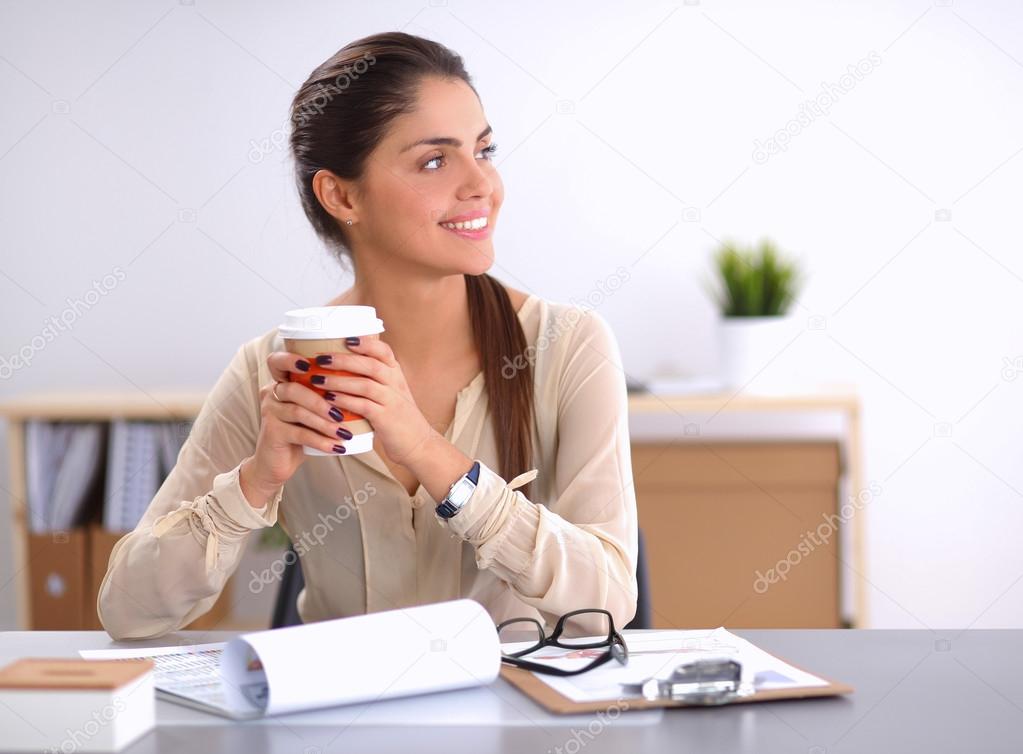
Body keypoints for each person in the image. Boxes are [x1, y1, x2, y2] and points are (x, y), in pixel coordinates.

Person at [98, 31, 638, 640]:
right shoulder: (271, 371)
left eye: (483, 150)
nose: (481, 183)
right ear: (341, 194)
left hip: (513, 721)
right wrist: (256, 480)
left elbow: (610, 596)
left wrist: (430, 455)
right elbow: (127, 611)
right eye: (435, 160)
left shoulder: (568, 346)